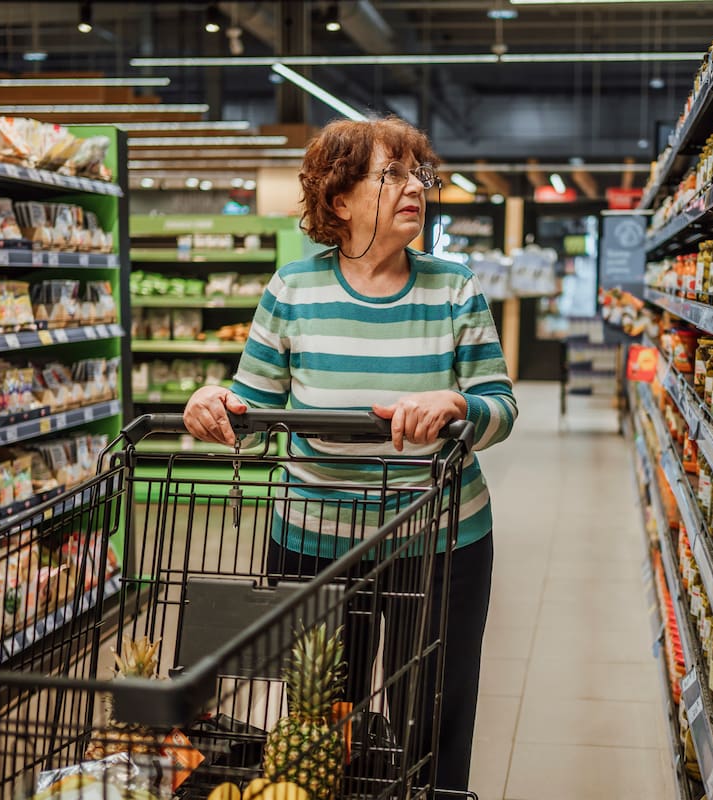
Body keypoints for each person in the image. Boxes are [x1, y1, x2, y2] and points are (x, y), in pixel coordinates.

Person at [182, 115, 517, 791]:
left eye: (419, 172)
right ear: (339, 200)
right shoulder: (292, 290)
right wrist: (213, 404)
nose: (414, 186)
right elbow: (250, 408)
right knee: (315, 716)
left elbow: (500, 409)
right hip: (315, 539)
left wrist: (455, 406)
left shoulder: (454, 289)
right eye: (391, 174)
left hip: (441, 542)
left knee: (435, 718)